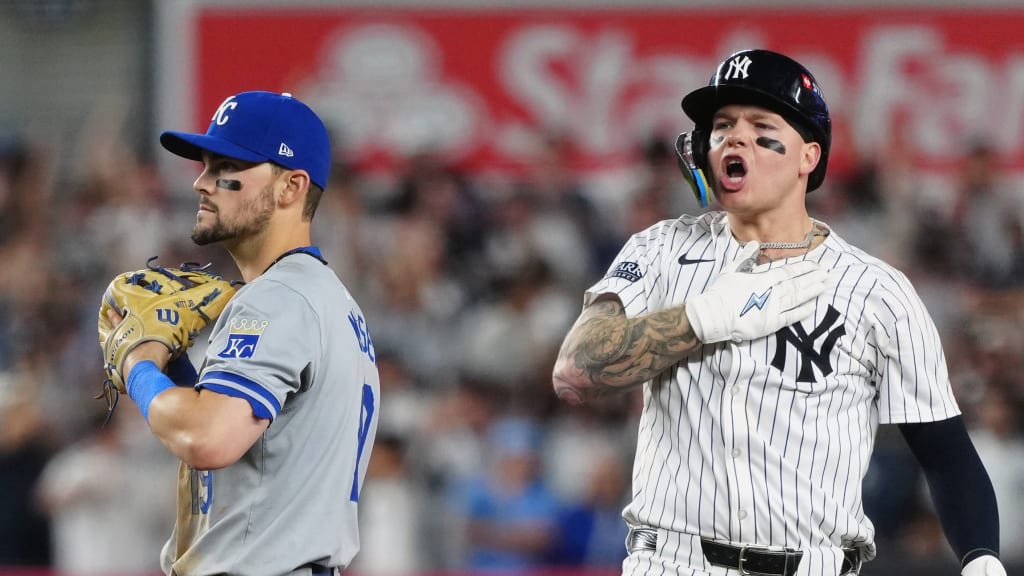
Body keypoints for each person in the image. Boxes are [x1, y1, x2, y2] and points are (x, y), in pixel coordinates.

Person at [551, 49, 1006, 576]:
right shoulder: (660, 251)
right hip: (675, 563)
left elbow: (944, 450)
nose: (734, 138)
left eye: (760, 124)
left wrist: (982, 561)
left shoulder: (877, 291)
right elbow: (575, 373)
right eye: (721, 126)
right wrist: (702, 318)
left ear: (807, 157)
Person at [105, 90, 380, 575]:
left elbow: (208, 437)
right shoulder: (326, 299)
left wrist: (138, 366)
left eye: (225, 167)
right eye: (204, 165)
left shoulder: (280, 297)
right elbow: (263, 446)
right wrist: (180, 369)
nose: (201, 183)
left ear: (290, 187)